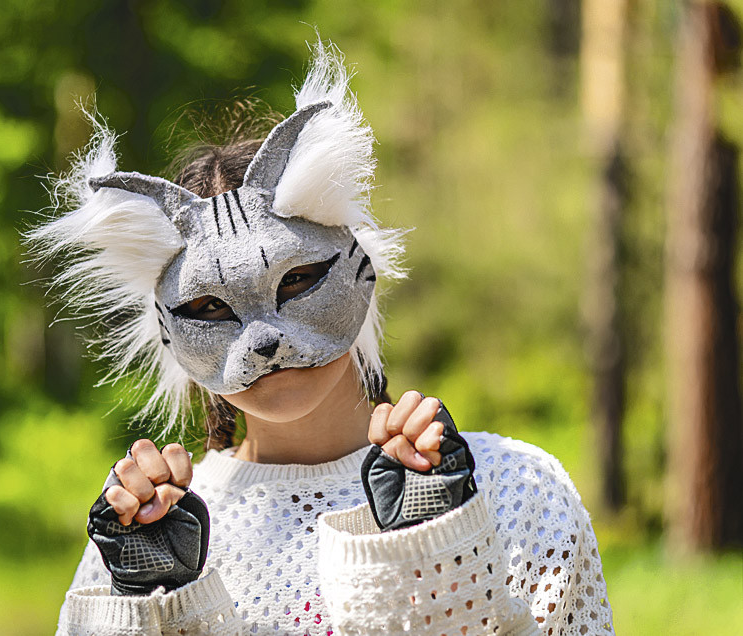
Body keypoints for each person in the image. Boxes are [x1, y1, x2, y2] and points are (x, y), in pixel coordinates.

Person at [30, 41, 614, 636]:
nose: (263, 338)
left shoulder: (516, 491)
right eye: (208, 307)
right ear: (166, 329)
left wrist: (443, 556)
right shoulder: (141, 532)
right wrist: (151, 607)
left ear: (361, 266)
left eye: (298, 279)